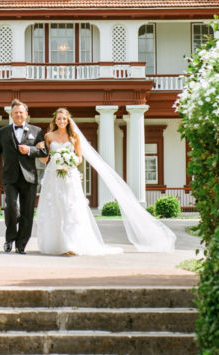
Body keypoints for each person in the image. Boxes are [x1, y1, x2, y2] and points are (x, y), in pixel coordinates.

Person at [37, 107, 176, 256]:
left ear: (68, 120)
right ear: (55, 120)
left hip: (69, 175)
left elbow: (79, 158)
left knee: (71, 207)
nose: (61, 121)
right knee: (54, 206)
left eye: (64, 119)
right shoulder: (49, 136)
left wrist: (68, 161)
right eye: (59, 119)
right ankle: (56, 244)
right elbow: (45, 159)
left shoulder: (74, 137)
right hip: (53, 175)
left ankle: (71, 243)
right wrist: (40, 150)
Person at [0, 99, 47, 253]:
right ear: (11, 114)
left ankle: (21, 245)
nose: (19, 114)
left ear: (26, 114)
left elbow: (44, 152)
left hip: (29, 178)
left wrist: (29, 150)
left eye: (21, 112)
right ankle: (9, 239)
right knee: (11, 207)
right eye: (16, 112)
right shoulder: (2, 132)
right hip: (10, 177)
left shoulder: (36, 131)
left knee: (27, 212)